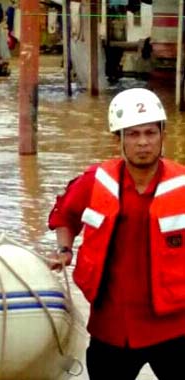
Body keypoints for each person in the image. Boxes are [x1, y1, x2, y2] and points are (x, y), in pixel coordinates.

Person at [47, 88, 185, 380]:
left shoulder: (182, 185)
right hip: (111, 328)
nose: (143, 143)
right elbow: (65, 215)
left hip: (175, 328)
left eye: (150, 133)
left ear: (163, 136)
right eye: (133, 134)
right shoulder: (95, 182)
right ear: (118, 139)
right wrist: (64, 250)